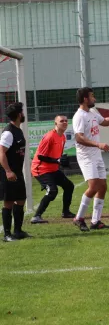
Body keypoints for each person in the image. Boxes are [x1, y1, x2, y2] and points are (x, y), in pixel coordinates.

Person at [72, 87, 109, 231]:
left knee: (102, 186)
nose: (94, 99)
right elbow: (79, 138)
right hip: (86, 156)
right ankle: (78, 218)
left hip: (96, 155)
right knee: (94, 187)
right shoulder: (79, 116)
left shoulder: (92, 112)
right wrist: (99, 144)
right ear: (85, 99)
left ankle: (95, 221)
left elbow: (104, 122)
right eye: (92, 96)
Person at [30, 115, 75, 224]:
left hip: (52, 169)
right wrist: (57, 161)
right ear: (55, 123)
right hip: (40, 169)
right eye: (61, 121)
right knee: (52, 191)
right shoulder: (49, 136)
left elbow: (56, 156)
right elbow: (40, 156)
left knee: (69, 186)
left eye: (66, 121)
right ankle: (36, 217)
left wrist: (61, 161)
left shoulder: (63, 137)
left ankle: (66, 212)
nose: (64, 122)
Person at [0, 103, 29, 241]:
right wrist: (7, 171)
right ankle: (7, 234)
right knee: (9, 202)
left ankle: (18, 231)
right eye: (22, 112)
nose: (23, 114)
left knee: (21, 199)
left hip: (18, 171)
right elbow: (1, 153)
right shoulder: (8, 132)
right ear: (18, 115)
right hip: (9, 173)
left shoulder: (18, 130)